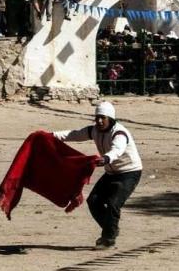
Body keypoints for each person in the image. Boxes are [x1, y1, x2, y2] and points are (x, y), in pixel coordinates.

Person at [52, 101, 142, 249]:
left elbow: (117, 150)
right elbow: (74, 134)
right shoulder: (93, 130)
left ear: (110, 118)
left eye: (103, 118)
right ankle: (111, 229)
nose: (99, 121)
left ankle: (108, 239)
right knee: (93, 201)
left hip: (129, 172)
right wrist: (50, 136)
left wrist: (106, 158)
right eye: (97, 117)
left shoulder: (119, 133)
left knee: (114, 204)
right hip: (111, 173)